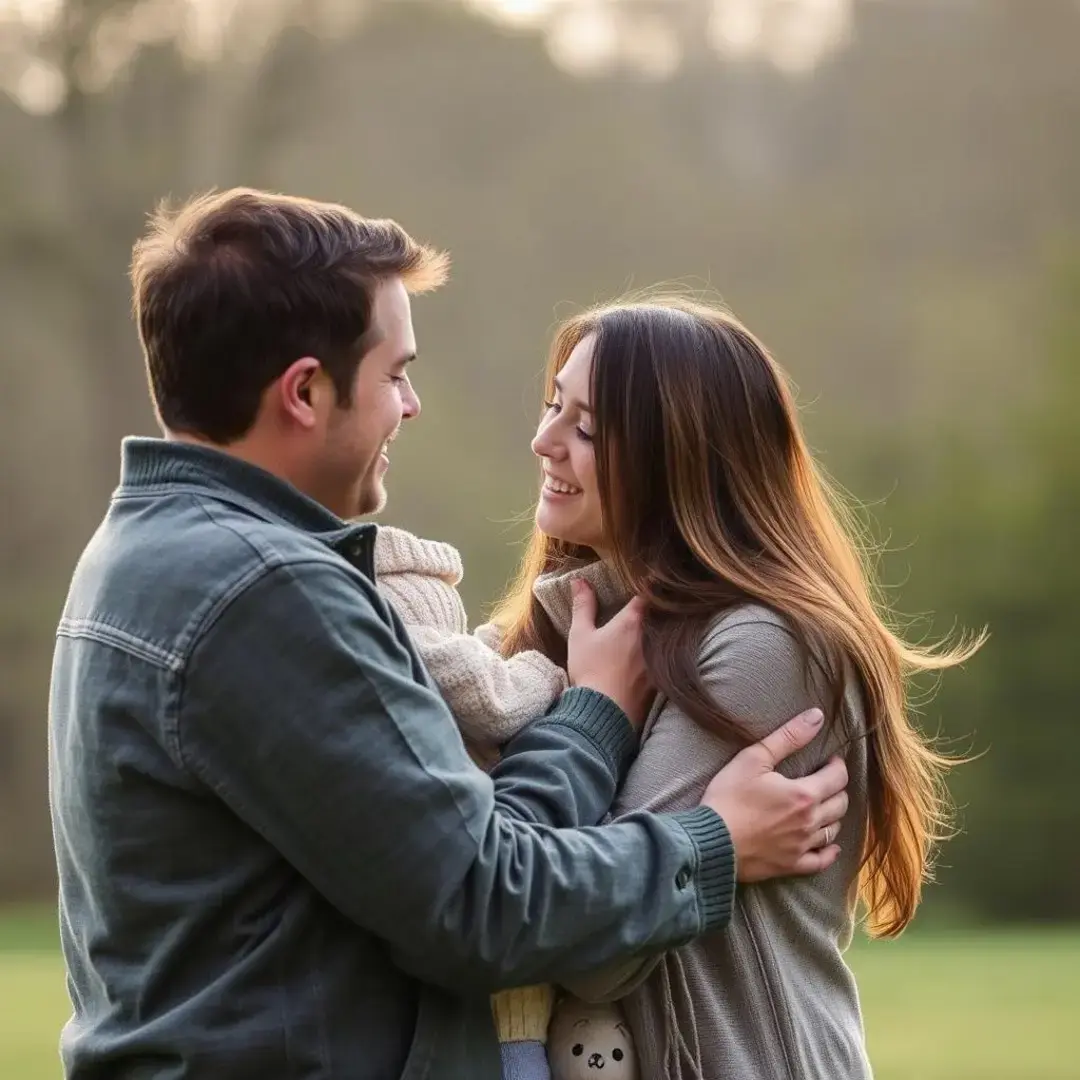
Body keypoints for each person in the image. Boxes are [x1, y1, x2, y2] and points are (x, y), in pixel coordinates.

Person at [48, 189, 849, 1080]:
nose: (412, 405)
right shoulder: (267, 592)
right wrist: (687, 817)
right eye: (395, 374)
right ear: (306, 391)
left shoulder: (140, 555)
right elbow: (487, 904)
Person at [475, 297, 980, 1078]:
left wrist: (598, 712)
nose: (544, 442)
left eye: (587, 429)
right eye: (553, 407)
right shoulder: (580, 630)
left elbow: (588, 956)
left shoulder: (764, 646)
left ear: (681, 457)